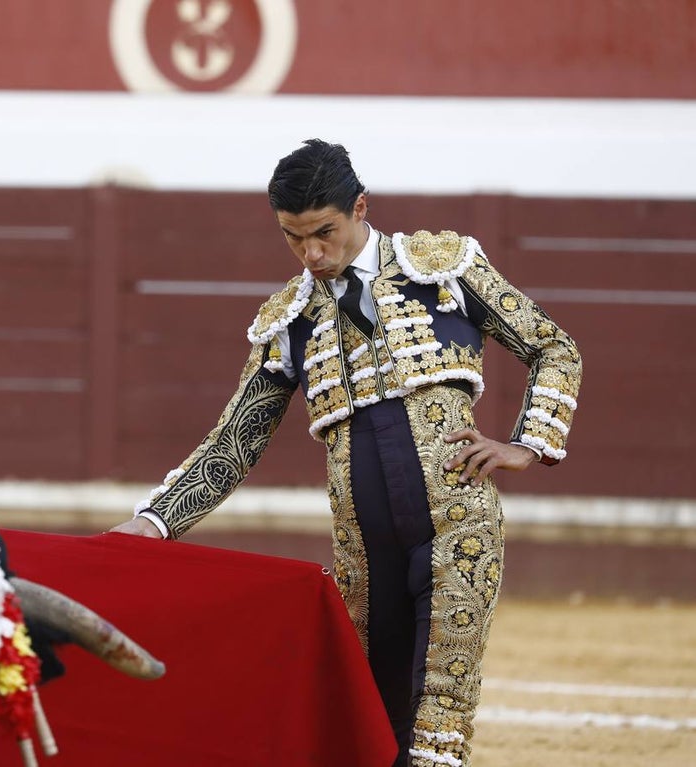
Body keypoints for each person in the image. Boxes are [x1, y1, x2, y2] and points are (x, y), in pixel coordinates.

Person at [110, 139, 582, 767]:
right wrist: (155, 520)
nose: (312, 254)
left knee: (436, 727)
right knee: (369, 729)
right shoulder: (291, 319)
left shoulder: (441, 268)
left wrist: (529, 443)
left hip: (458, 532)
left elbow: (554, 348)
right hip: (363, 552)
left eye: (324, 233)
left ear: (360, 207)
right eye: (293, 238)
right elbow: (235, 441)